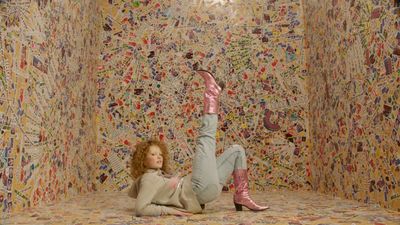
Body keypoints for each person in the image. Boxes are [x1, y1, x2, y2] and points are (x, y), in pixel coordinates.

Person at [128, 70, 269, 216]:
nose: (159, 157)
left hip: (205, 191)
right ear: (142, 159)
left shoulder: (158, 176)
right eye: (153, 154)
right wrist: (172, 211)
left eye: (160, 154)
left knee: (237, 151)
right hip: (198, 190)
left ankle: (242, 196)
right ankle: (211, 94)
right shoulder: (147, 179)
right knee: (205, 138)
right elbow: (141, 208)